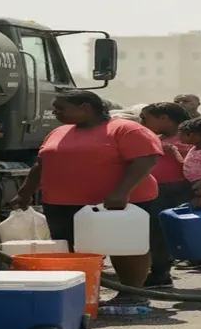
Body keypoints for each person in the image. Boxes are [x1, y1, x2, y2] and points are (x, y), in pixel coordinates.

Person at [9, 90, 161, 306]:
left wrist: (122, 192)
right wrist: (25, 192)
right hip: (63, 204)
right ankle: (82, 295)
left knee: (125, 247)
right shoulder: (59, 132)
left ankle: (132, 293)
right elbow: (41, 164)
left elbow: (146, 160)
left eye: (61, 108)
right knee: (75, 250)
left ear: (85, 108)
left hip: (117, 205)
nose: (55, 112)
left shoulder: (126, 129)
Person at [139, 102, 201, 289]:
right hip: (160, 191)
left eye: (145, 118)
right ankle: (160, 274)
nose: (142, 122)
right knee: (159, 234)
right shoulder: (157, 138)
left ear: (164, 118)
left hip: (194, 190)